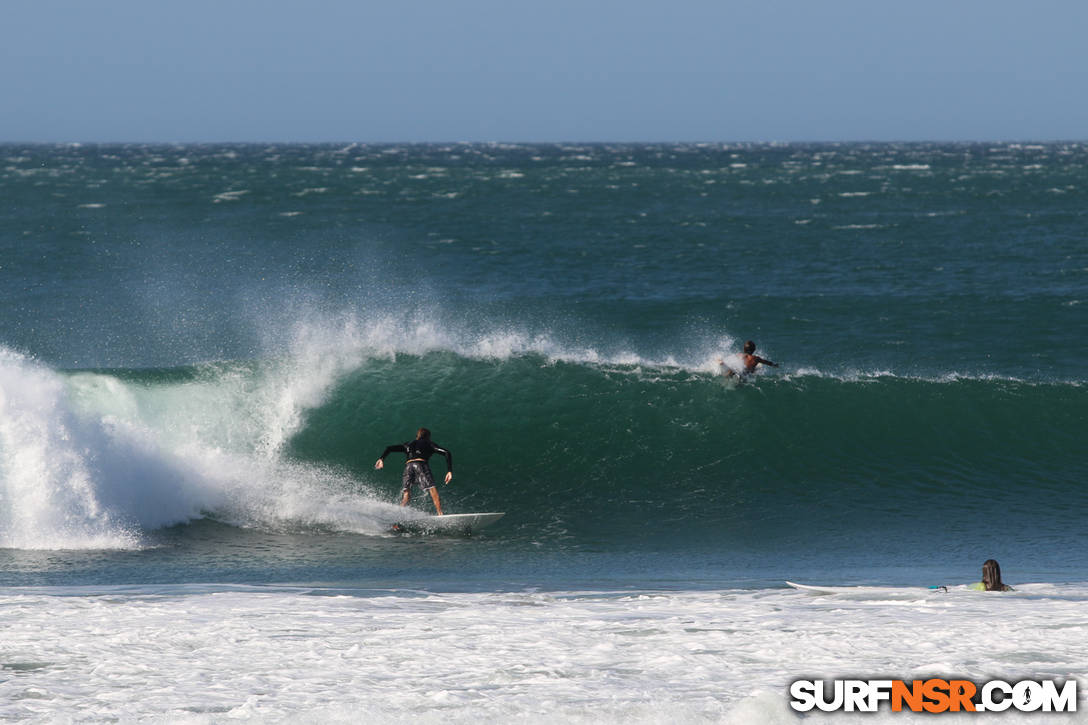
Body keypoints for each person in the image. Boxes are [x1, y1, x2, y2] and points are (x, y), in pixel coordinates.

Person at [375, 427, 453, 515]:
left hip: (408, 466)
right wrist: (449, 471)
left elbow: (389, 448)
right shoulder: (429, 443)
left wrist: (381, 459)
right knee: (432, 489)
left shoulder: (408, 444)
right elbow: (447, 452)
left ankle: (397, 517)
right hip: (421, 465)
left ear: (417, 436)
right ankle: (440, 513)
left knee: (406, 495)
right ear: (428, 436)